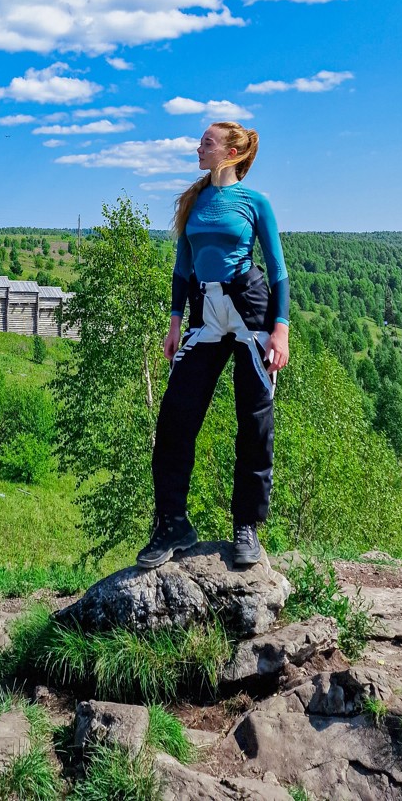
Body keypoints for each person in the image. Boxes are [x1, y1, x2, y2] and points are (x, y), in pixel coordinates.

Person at [137, 121, 290, 571]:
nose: (198, 148)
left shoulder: (255, 203)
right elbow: (182, 267)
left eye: (206, 142)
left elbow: (278, 270)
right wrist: (174, 323)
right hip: (205, 310)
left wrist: (280, 329)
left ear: (232, 152)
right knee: (175, 418)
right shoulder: (195, 201)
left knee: (254, 420)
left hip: (250, 309)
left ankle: (247, 525)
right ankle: (172, 524)